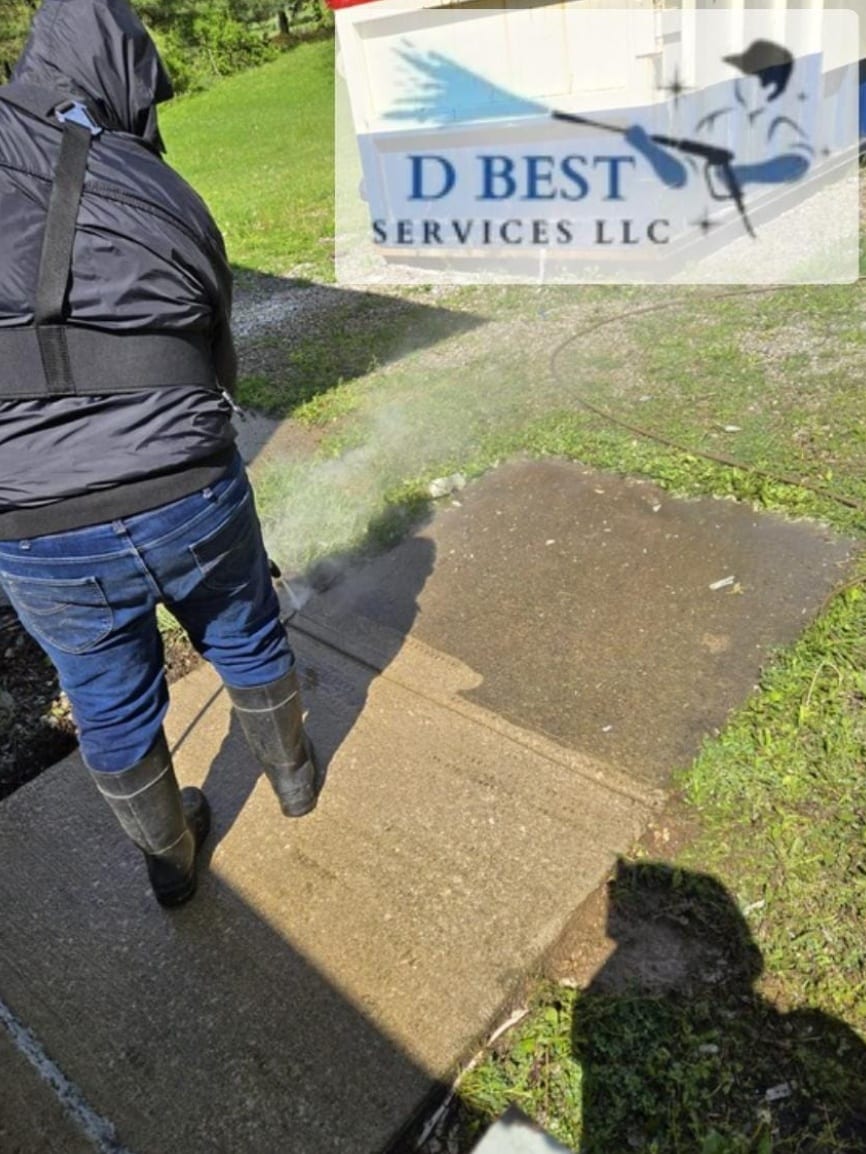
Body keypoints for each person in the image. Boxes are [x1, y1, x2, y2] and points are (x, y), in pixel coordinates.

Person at [0, 0, 319, 909]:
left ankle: (170, 863)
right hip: (189, 484)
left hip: (37, 524)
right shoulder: (150, 180)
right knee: (247, 631)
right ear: (120, 70)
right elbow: (216, 336)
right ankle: (295, 784)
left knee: (104, 696)